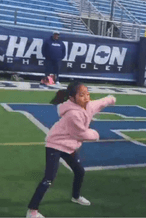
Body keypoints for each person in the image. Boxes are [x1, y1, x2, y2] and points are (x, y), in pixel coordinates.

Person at [26, 82, 116, 218]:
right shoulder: (73, 114)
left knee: (79, 171)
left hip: (69, 146)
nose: (86, 97)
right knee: (49, 178)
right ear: (72, 98)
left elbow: (99, 103)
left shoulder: (87, 105)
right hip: (55, 145)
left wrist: (110, 99)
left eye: (87, 94)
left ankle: (76, 196)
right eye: (81, 95)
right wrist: (96, 135)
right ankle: (32, 211)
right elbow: (79, 134)